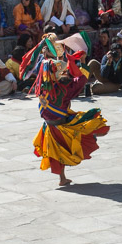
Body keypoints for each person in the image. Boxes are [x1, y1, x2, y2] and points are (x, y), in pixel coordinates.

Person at [27, 35, 109, 188]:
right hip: (60, 124)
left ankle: (62, 178)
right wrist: (83, 63)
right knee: (83, 131)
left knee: (56, 153)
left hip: (49, 124)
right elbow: (81, 81)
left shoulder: (42, 86)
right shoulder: (63, 89)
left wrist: (50, 54)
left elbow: (44, 65)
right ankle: (94, 133)